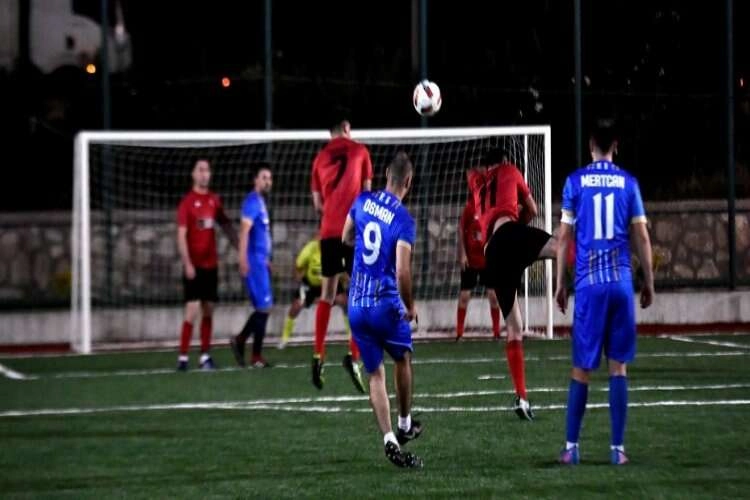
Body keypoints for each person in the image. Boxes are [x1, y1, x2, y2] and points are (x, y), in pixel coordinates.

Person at [555, 119, 654, 465]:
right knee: (618, 368)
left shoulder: (575, 182)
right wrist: (649, 281)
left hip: (589, 285)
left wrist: (561, 282)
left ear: (590, 146)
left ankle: (571, 448)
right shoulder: (629, 183)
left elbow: (563, 237)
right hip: (621, 284)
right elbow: (642, 237)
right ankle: (617, 450)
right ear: (616, 146)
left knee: (581, 368)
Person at [342, 152, 423, 468]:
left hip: (357, 305)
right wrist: (410, 305)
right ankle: (404, 424)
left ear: (386, 173)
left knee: (375, 373)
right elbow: (402, 271)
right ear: (408, 181)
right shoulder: (403, 220)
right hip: (385, 305)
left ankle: (389, 438)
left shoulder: (362, 201)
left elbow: (345, 236)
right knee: (403, 358)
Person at [467, 148, 557, 420]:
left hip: (492, 252)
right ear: (505, 161)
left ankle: (522, 397)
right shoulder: (510, 170)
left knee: (514, 328)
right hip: (511, 235)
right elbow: (532, 209)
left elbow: (472, 175)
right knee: (562, 247)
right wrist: (521, 226)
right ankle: (603, 269)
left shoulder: (477, 184)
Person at [310, 119, 372, 392]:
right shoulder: (360, 151)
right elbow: (366, 194)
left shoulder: (319, 158)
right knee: (360, 293)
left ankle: (318, 354)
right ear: (347, 126)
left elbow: (317, 204)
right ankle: (353, 356)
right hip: (352, 231)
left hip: (328, 232)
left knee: (327, 294)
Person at [175, 159, 237, 371]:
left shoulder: (213, 200)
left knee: (208, 310)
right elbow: (181, 235)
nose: (204, 174)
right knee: (191, 310)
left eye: (207, 170)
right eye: (200, 170)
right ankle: (183, 358)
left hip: (211, 266)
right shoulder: (187, 203)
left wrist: (240, 246)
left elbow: (225, 224)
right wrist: (187, 264)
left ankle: (204, 357)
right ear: (193, 174)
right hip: (194, 266)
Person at [230, 165, 274, 368]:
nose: (268, 182)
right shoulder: (251, 202)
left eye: (269, 178)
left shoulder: (260, 202)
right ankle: (252, 352)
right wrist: (242, 259)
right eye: (264, 177)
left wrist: (266, 259)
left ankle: (242, 342)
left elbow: (260, 234)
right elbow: (244, 231)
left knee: (264, 308)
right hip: (253, 262)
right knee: (264, 308)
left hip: (260, 261)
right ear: (255, 179)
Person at [278, 235, 352, 354]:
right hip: (311, 285)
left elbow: (345, 272)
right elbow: (298, 267)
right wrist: (299, 279)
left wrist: (344, 279)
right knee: (296, 306)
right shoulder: (310, 248)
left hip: (330, 283)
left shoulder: (335, 249)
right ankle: (284, 338)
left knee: (345, 302)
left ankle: (351, 337)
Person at [456, 194, 502, 341]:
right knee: (464, 296)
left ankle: (496, 333)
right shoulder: (469, 207)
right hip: (470, 260)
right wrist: (462, 254)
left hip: (488, 260)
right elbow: (461, 229)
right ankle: (459, 334)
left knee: (494, 297)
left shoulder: (493, 209)